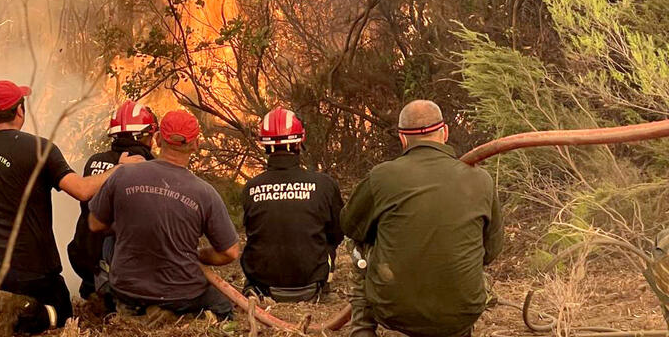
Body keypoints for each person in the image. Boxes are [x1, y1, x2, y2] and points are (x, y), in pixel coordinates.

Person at [0, 79, 143, 333]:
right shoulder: (38, 148)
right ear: (19, 110)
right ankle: (20, 311)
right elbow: (81, 190)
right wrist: (120, 169)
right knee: (62, 315)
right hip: (28, 268)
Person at [340, 100, 504, 337]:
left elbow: (349, 225)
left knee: (356, 243)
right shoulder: (482, 179)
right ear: (444, 132)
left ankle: (362, 329)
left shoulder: (382, 176)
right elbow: (491, 251)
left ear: (402, 138)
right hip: (463, 312)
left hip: (392, 311)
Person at [87, 109, 240, 320]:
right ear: (196, 144)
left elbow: (94, 224)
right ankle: (176, 315)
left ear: (158, 139)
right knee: (223, 307)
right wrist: (197, 254)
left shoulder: (122, 174)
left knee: (123, 297)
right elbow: (230, 252)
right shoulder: (205, 193)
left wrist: (127, 228)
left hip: (126, 290)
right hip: (181, 294)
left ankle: (140, 311)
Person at [240, 107, 344, 302]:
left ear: (264, 144)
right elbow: (337, 234)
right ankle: (323, 288)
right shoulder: (324, 185)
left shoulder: (251, 188)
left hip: (262, 289)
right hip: (311, 287)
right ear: (300, 141)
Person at [67, 100, 158, 299]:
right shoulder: (152, 168)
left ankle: (93, 293)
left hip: (85, 257)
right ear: (144, 136)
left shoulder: (95, 161)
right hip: (126, 269)